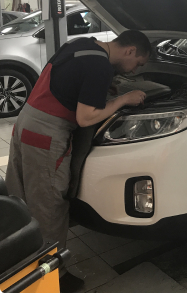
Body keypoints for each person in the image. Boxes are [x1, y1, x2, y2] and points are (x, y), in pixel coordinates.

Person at [5, 30, 151, 292]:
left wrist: (99, 89)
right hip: (47, 136)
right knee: (49, 207)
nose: (134, 70)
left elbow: (68, 80)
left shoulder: (82, 45)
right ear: (130, 50)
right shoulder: (99, 66)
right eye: (137, 63)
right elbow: (85, 118)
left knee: (23, 197)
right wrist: (123, 99)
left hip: (26, 123)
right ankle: (53, 277)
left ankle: (18, 264)